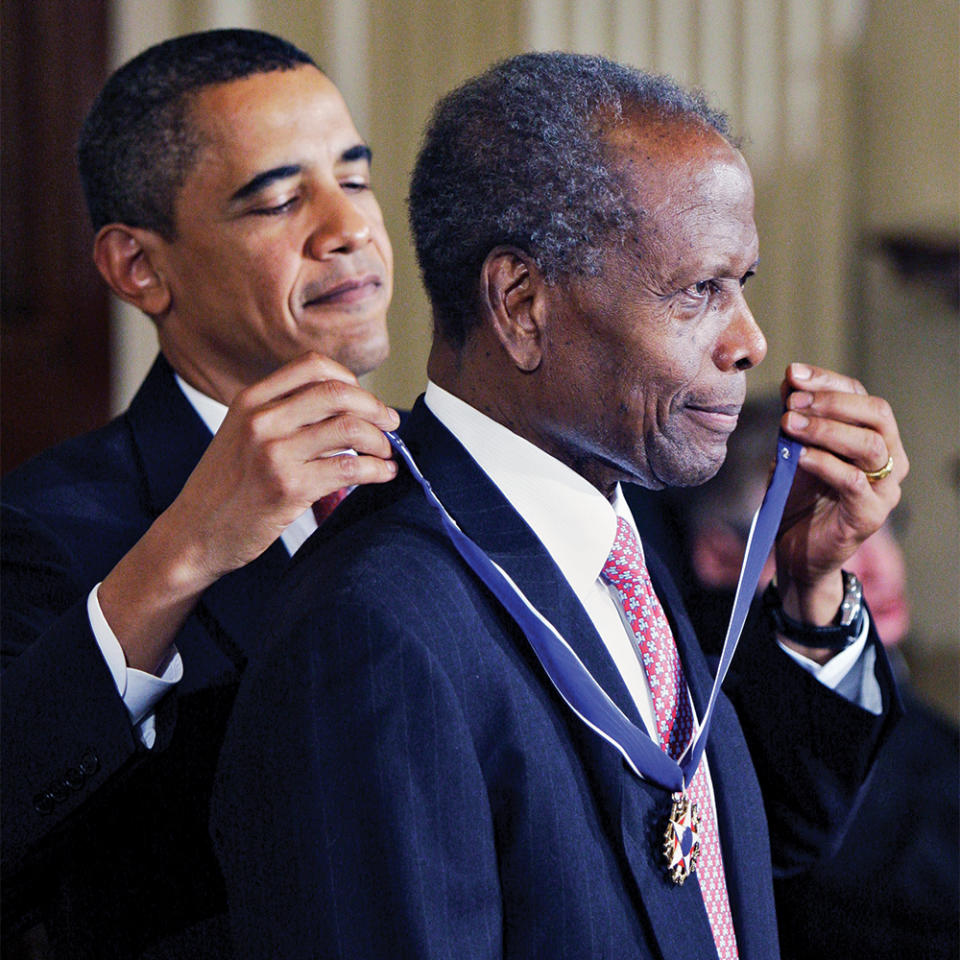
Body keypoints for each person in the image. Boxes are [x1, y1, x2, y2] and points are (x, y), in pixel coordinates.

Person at [212, 53, 908, 959]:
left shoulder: (610, 525)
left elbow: (698, 867)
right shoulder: (375, 630)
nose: (749, 341)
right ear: (523, 305)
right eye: (701, 291)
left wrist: (811, 592)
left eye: (744, 285)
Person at [1, 28, 399, 959]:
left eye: (355, 177)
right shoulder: (42, 526)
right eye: (277, 200)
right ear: (139, 267)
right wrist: (186, 552)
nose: (349, 229)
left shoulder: (448, 478)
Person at [673, 393, 959, 960]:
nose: (879, 565)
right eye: (824, 525)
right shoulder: (712, 713)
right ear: (721, 554)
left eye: (882, 524)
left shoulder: (897, 691)